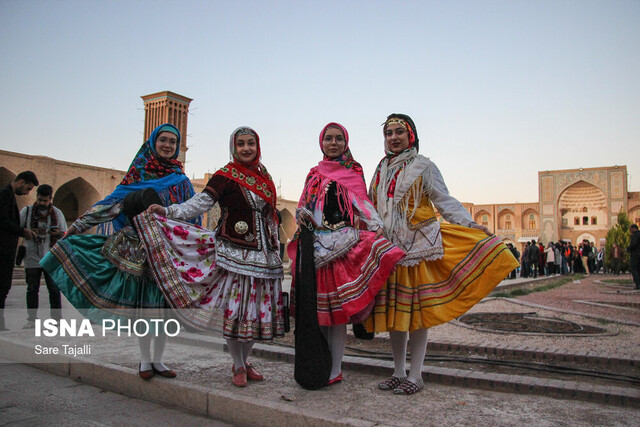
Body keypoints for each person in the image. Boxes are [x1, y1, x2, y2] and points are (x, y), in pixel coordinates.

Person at [365, 113, 518, 395]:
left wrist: (470, 225)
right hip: (390, 250)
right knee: (397, 316)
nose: (393, 137)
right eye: (389, 133)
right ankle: (398, 371)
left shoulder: (424, 166)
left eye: (399, 132)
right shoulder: (380, 169)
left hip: (418, 245)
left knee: (418, 315)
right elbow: (372, 204)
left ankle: (416, 374)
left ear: (411, 136)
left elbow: (444, 200)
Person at [41, 123, 197, 379]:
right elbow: (109, 208)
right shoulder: (137, 176)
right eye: (163, 140)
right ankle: (145, 361)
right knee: (145, 309)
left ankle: (159, 361)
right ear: (153, 143)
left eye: (173, 142)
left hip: (167, 252)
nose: (168, 145)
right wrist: (76, 227)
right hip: (137, 251)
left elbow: (191, 215)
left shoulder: (181, 182)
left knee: (161, 309)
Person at [143, 126, 284, 387]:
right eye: (240, 144)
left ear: (257, 146)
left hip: (264, 256)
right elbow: (201, 203)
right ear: (233, 147)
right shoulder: (225, 176)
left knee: (254, 313)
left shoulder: (265, 177)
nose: (246, 148)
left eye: (250, 143)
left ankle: (245, 360)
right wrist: (169, 211)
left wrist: (275, 243)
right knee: (235, 311)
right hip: (233, 252)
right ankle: (238, 365)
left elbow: (269, 215)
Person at [288, 122, 405, 387]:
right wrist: (302, 214)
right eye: (328, 138)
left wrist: (377, 230)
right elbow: (304, 205)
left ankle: (335, 369)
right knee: (321, 314)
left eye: (338, 138)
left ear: (346, 142)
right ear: (321, 143)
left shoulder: (352, 171)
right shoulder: (313, 173)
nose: (333, 143)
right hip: (315, 250)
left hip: (340, 247)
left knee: (337, 315)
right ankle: (321, 363)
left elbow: (362, 204)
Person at [20, 184, 67, 328]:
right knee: (32, 289)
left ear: (50, 199)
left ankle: (56, 320)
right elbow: (18, 228)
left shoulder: (57, 213)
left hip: (51, 255)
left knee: (53, 289)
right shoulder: (27, 212)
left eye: (45, 201)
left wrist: (57, 233)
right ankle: (32, 320)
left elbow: (65, 233)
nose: (42, 203)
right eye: (40, 200)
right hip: (32, 254)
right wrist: (26, 232)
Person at [0, 171, 39, 331]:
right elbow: (2, 220)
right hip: (2, 251)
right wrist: (22, 231)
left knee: (3, 288)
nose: (28, 192)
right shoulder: (4, 194)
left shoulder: (8, 195)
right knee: (1, 287)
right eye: (28, 188)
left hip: (5, 251)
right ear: (21, 181)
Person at [628, 224, 640, 290]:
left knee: (634, 269)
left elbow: (634, 244)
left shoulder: (635, 235)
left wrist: (628, 249)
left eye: (630, 229)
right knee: (638, 269)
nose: (630, 230)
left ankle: (637, 284)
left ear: (633, 228)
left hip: (635, 255)